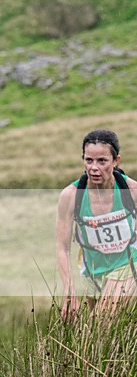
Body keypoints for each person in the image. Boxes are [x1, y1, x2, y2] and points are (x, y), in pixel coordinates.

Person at [56, 129, 137, 319]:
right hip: (92, 272)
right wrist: (69, 291)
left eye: (102, 161)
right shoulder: (71, 196)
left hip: (128, 265)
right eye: (88, 160)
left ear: (116, 161)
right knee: (102, 338)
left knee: (99, 325)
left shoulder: (131, 191)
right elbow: (62, 247)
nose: (94, 167)